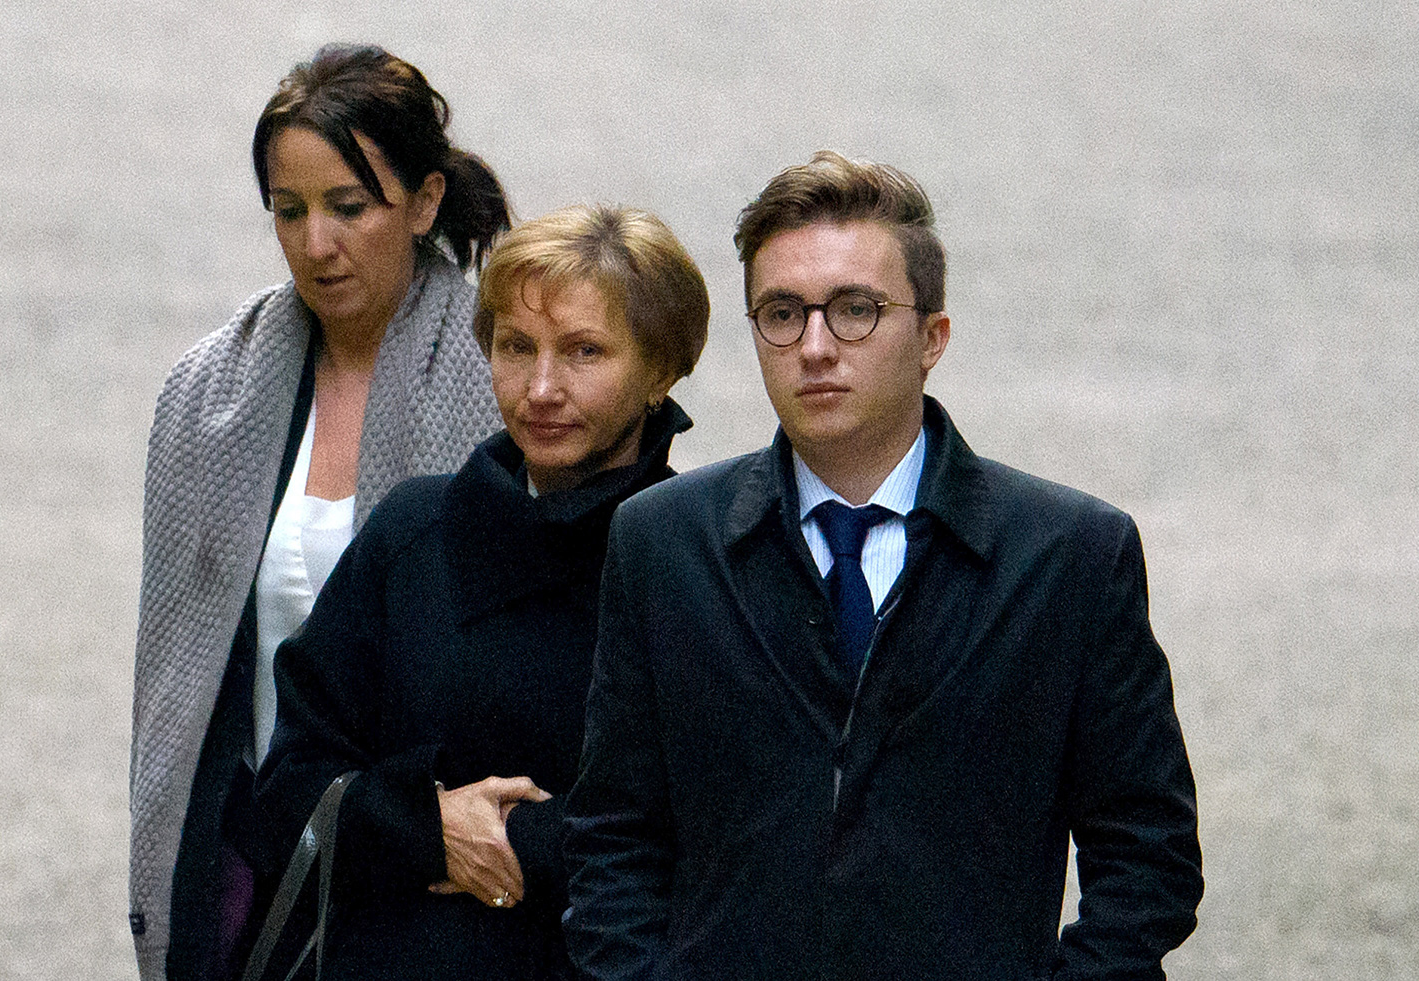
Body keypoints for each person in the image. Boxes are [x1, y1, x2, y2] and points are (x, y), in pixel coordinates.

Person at [564, 151, 1204, 980]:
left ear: (933, 335)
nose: (816, 345)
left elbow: (1148, 856)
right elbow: (613, 832)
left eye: (856, 310)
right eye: (783, 313)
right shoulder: (662, 542)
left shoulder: (1069, 554)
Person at [129, 44, 510, 981]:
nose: (316, 243)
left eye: (350, 206)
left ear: (423, 202)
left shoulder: (509, 382)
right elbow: (176, 681)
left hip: (443, 882)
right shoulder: (208, 394)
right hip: (258, 869)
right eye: (289, 212)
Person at [251, 203, 709, 979]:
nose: (540, 386)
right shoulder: (414, 533)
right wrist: (425, 827)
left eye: (584, 352)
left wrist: (509, 843)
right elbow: (288, 785)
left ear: (660, 371)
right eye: (514, 346)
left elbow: (725, 832)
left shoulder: (699, 561)